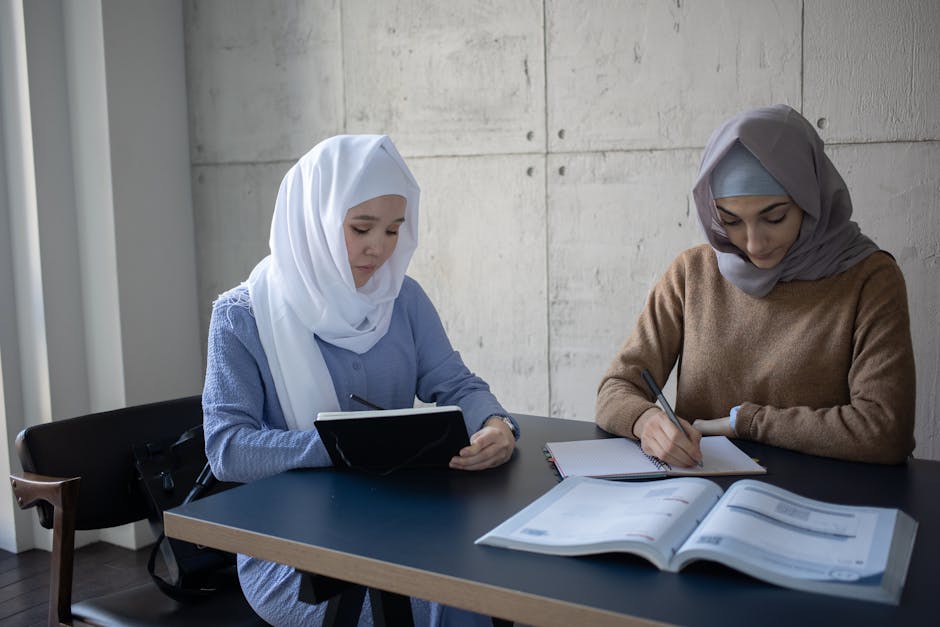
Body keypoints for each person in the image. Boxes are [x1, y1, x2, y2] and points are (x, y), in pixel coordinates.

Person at [202, 134, 519, 626]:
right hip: (297, 553)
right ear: (317, 219)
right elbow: (226, 449)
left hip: (404, 519)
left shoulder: (402, 298)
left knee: (500, 578)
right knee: (452, 603)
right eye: (361, 228)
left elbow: (456, 384)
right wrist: (341, 446)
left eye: (394, 231)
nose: (379, 250)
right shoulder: (243, 316)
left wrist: (496, 424)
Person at [595, 104, 915, 468]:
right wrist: (645, 421)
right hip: (699, 493)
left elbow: (886, 430)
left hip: (821, 497)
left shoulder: (868, 278)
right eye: (730, 221)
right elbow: (615, 389)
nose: (753, 243)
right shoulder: (693, 273)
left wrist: (744, 423)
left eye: (774, 217)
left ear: (811, 202)